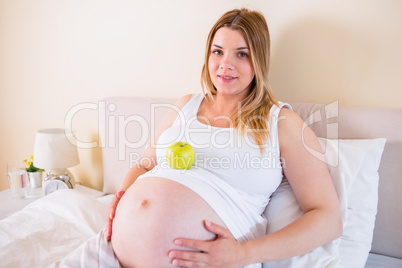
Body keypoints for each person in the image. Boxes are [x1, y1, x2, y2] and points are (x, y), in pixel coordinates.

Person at [107, 8, 342, 268]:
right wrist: (120, 198)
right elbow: (145, 165)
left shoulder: (281, 124)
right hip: (113, 255)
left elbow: (328, 220)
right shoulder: (185, 105)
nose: (225, 65)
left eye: (242, 54)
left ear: (259, 62)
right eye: (217, 51)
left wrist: (245, 254)